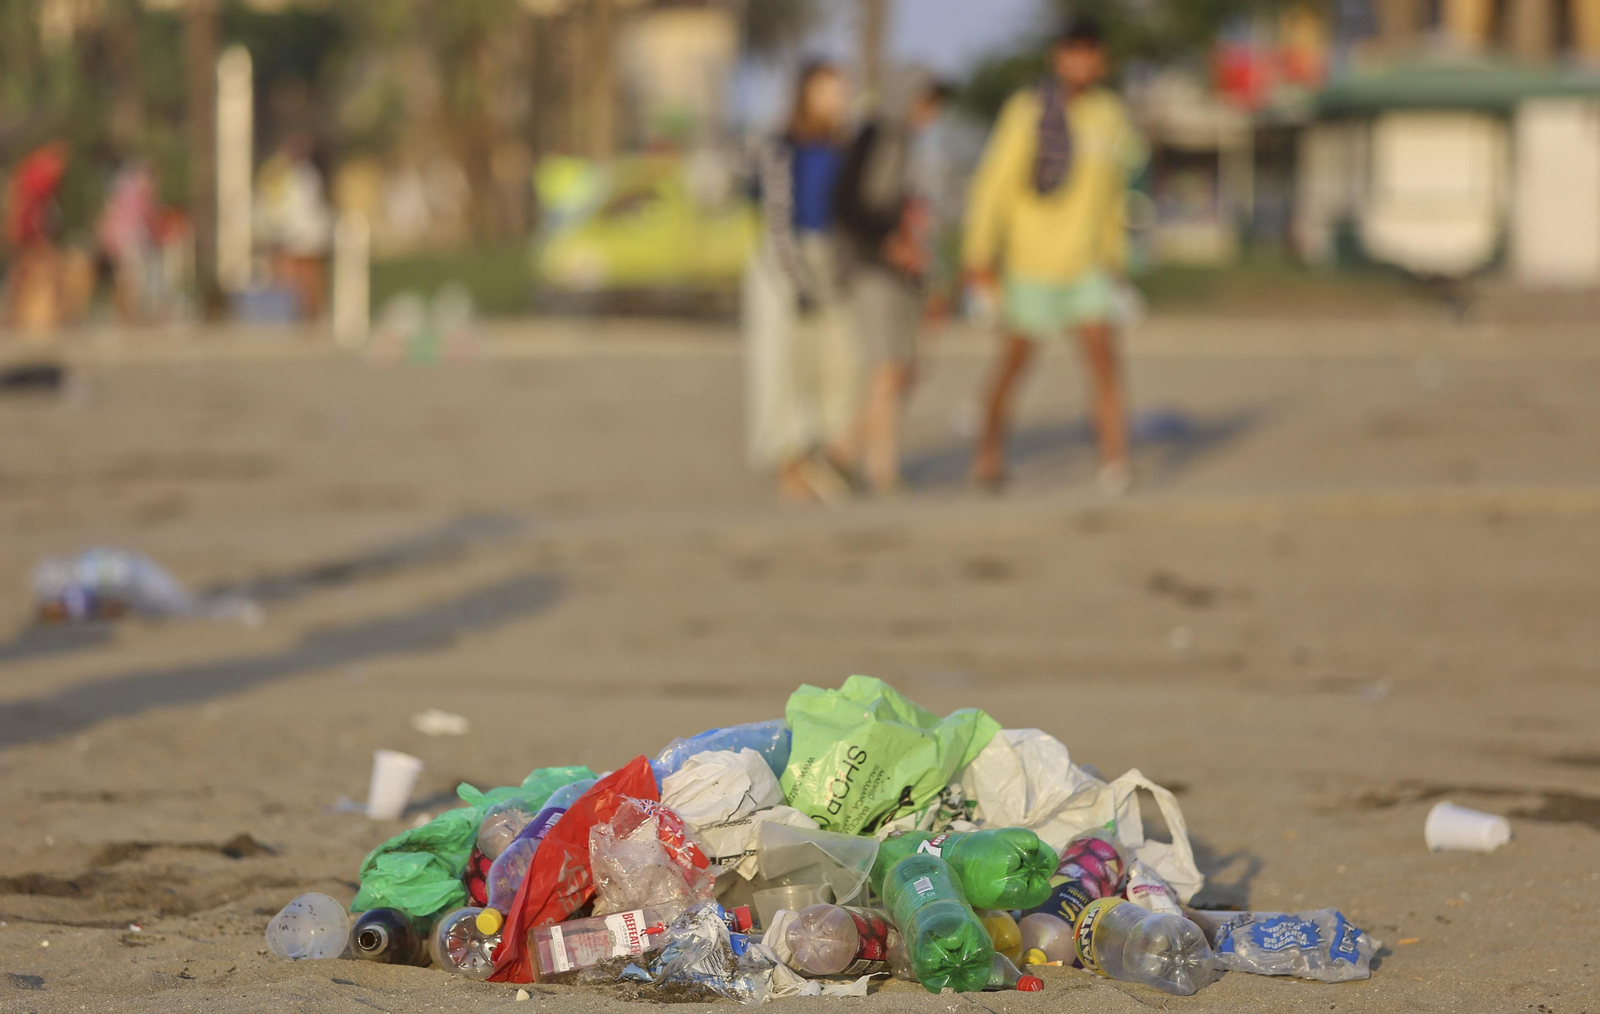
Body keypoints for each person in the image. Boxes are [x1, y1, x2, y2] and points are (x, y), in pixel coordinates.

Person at [962, 19, 1147, 495]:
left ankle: (1114, 460)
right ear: (1057, 57)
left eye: (1090, 53)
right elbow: (993, 186)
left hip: (1087, 264)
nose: (1080, 63)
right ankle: (988, 452)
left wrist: (1117, 261)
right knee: (1015, 363)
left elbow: (1114, 195)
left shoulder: (1109, 116)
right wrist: (979, 255)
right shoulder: (1025, 110)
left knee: (1105, 358)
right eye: (1072, 52)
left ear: (1102, 61)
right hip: (1030, 263)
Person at [833, 69, 952, 495]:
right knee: (887, 366)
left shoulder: (915, 148)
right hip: (870, 266)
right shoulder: (874, 136)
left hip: (906, 273)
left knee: (902, 367)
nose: (932, 112)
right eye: (927, 101)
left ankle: (878, 463)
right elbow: (848, 204)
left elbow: (921, 215)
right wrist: (889, 241)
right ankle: (847, 454)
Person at [744, 61, 859, 503]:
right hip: (785, 263)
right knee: (782, 369)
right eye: (827, 91)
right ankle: (790, 466)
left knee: (836, 365)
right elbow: (776, 219)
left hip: (833, 263)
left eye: (841, 91)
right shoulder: (781, 147)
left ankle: (826, 457)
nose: (837, 101)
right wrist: (796, 280)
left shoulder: (845, 149)